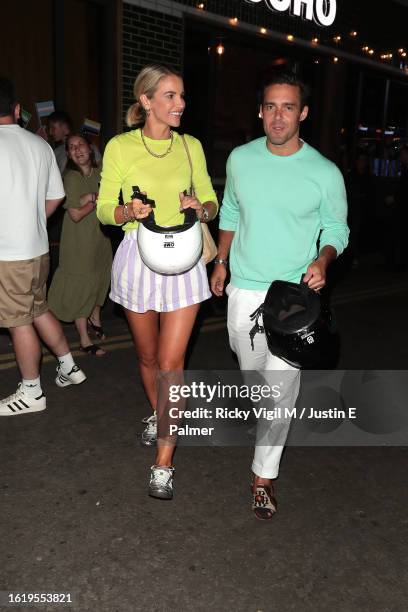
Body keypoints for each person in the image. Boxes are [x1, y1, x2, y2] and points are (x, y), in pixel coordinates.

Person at [211, 71, 349, 520]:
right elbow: (230, 210)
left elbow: (336, 228)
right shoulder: (240, 159)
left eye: (288, 107)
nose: (278, 116)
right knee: (254, 378)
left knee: (278, 392)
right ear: (260, 111)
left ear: (303, 113)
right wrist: (221, 260)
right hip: (245, 290)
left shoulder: (324, 173)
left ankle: (262, 477)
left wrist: (323, 260)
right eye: (270, 106)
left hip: (293, 298)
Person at [97, 64, 218, 499]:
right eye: (169, 96)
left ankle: (163, 463)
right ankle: (161, 413)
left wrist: (198, 207)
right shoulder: (119, 147)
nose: (180, 104)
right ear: (146, 101)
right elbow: (103, 209)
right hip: (137, 255)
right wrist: (127, 212)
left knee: (171, 364)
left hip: (184, 258)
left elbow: (211, 200)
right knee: (147, 359)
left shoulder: (191, 147)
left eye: (181, 96)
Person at [0, 77, 86, 416]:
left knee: (17, 321)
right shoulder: (40, 147)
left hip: (8, 254)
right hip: (38, 249)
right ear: (17, 110)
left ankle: (32, 391)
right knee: (36, 309)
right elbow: (57, 195)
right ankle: (68, 366)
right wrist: (33, 217)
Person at [47, 133, 112, 355]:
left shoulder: (101, 172)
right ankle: (84, 340)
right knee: (82, 284)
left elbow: (112, 196)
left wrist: (90, 198)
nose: (77, 150)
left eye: (80, 145)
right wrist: (96, 197)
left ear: (90, 148)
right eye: (72, 147)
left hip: (100, 237)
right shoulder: (71, 178)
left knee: (101, 277)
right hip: (79, 241)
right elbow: (75, 214)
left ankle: (95, 317)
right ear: (68, 154)